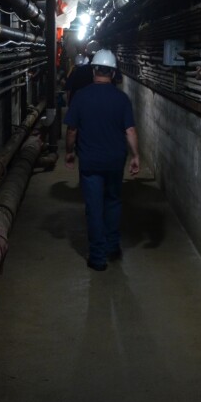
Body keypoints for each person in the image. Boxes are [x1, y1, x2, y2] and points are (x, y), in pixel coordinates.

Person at [64, 49, 140, 271]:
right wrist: (135, 156)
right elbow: (131, 131)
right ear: (114, 72)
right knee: (113, 202)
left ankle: (98, 257)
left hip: (90, 162)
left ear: (94, 69)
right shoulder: (122, 99)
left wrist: (69, 152)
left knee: (94, 208)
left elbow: (71, 130)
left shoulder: (81, 96)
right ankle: (113, 246)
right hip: (115, 161)